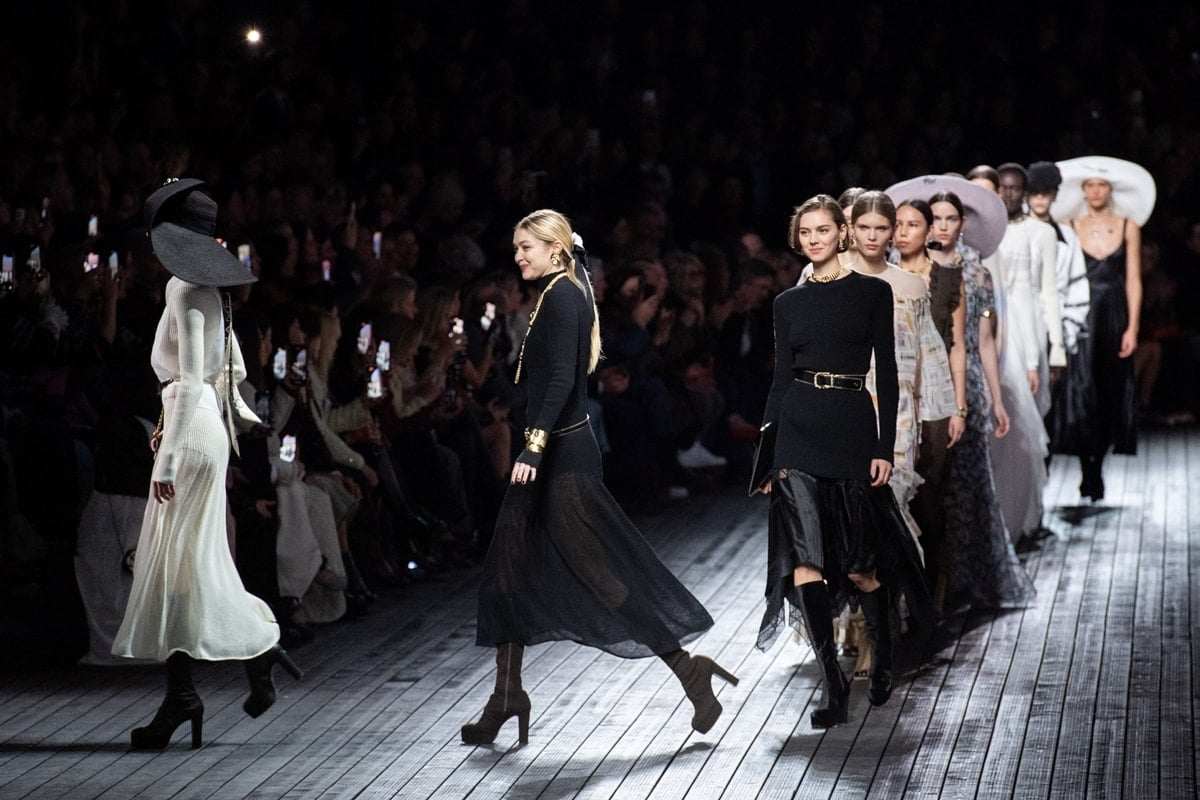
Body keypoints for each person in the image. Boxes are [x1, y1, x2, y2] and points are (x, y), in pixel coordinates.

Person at [464, 209, 736, 746]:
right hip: (550, 447)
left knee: (600, 573)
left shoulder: (563, 296)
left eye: (527, 247)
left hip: (559, 453)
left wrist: (536, 446)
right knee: (506, 573)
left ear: (556, 248)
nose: (518, 256)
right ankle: (506, 693)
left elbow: (565, 378)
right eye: (516, 246)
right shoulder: (557, 294)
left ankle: (689, 671)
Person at [112, 179, 301, 750]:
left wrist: (169, 458)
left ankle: (190, 692)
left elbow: (194, 380)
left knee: (177, 567)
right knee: (190, 564)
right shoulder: (212, 292)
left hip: (189, 434)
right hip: (199, 431)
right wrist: (229, 422)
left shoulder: (182, 289)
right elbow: (230, 374)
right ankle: (220, 673)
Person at [757, 194, 931, 729]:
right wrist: (766, 456)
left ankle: (882, 658)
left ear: (842, 233)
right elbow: (781, 378)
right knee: (806, 561)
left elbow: (889, 373)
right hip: (798, 433)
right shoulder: (787, 303)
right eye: (805, 232)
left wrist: (884, 448)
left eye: (823, 230)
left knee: (860, 566)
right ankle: (833, 685)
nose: (814, 239)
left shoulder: (872, 293)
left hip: (854, 428)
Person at [925, 187, 1035, 611]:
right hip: (925, 380)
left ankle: (963, 581)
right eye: (935, 218)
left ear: (963, 223)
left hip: (965, 379)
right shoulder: (908, 264)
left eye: (950, 219)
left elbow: (985, 339)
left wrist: (996, 397)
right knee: (930, 484)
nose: (943, 226)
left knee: (969, 486)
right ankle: (930, 581)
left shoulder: (976, 271)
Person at [1053, 156, 1154, 501]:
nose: (1096, 191)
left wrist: (1133, 328)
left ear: (1111, 190)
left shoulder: (1128, 225)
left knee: (1112, 389)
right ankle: (1088, 469)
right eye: (1090, 186)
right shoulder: (1070, 225)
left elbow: (1134, 280)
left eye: (1102, 185)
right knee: (1082, 391)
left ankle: (1099, 460)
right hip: (1081, 315)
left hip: (1114, 316)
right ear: (1083, 190)